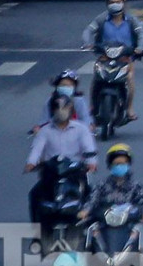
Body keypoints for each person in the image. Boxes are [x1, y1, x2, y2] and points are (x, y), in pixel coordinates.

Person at [25, 94, 97, 222]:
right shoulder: (45, 131)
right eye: (57, 108)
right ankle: (37, 232)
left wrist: (91, 163)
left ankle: (90, 230)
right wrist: (31, 163)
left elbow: (89, 147)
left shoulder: (81, 129)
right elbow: (37, 149)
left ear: (71, 110)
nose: (61, 111)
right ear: (52, 110)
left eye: (64, 108)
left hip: (75, 171)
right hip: (52, 171)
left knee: (91, 195)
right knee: (34, 194)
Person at [80, 0, 143, 120]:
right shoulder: (101, 18)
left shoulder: (131, 20)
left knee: (130, 80)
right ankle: (93, 106)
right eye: (111, 2)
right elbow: (88, 31)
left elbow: (141, 34)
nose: (114, 4)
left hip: (125, 57)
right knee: (96, 79)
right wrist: (88, 43)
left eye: (118, 2)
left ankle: (129, 108)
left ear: (124, 4)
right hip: (105, 56)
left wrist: (139, 48)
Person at [79, 143, 143, 227]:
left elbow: (142, 202)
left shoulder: (135, 186)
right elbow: (93, 200)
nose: (120, 166)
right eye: (116, 164)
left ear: (128, 165)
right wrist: (86, 211)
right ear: (110, 166)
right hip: (105, 224)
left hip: (127, 225)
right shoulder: (102, 185)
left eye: (123, 163)